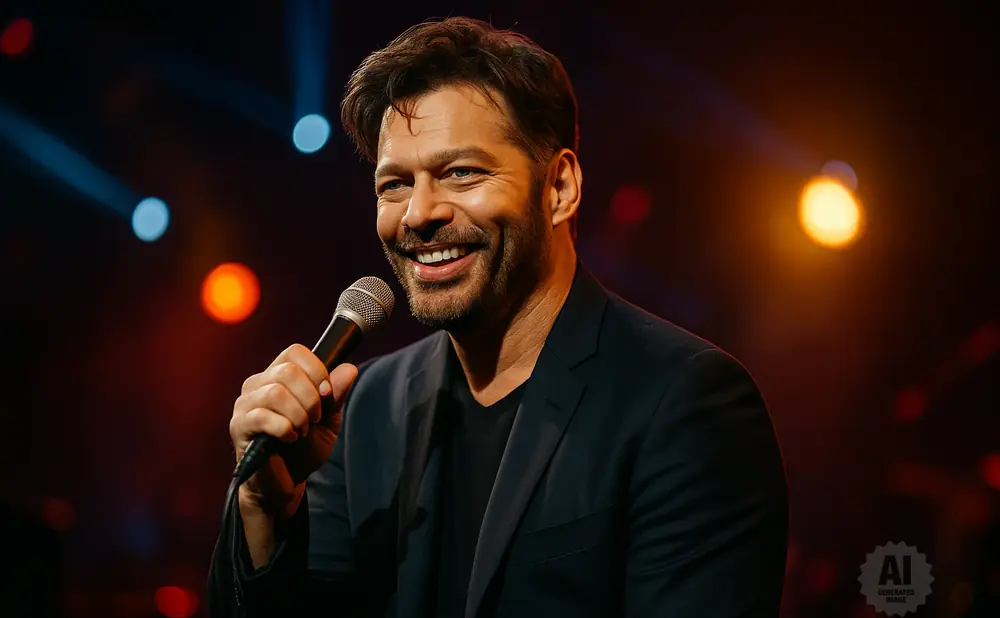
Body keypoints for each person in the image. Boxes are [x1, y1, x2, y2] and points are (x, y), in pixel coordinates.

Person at [207, 16, 788, 618]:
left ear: (559, 186)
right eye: (395, 184)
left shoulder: (684, 401)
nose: (419, 214)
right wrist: (264, 507)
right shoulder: (362, 411)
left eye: (462, 172)